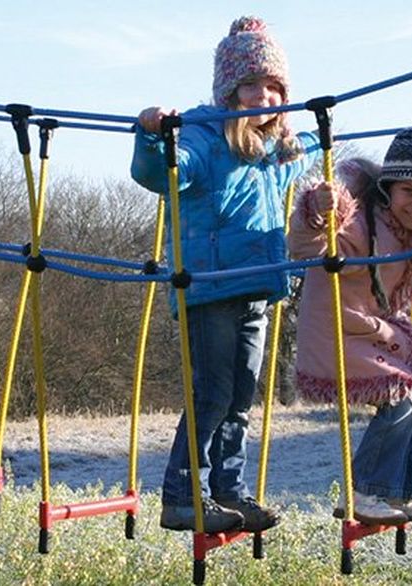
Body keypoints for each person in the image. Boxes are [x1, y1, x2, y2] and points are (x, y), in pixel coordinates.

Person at [131, 16, 321, 533]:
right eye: (253, 86)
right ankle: (183, 495)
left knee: (240, 398)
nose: (264, 96)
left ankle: (228, 492)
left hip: (258, 286)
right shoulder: (203, 136)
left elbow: (308, 152)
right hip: (211, 289)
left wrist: (323, 133)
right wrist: (152, 135)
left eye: (274, 87)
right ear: (230, 92)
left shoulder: (274, 151)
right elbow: (160, 172)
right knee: (212, 393)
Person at [288, 105, 412, 525]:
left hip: (369, 333)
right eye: (410, 192)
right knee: (401, 398)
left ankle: (397, 493)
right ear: (389, 187)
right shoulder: (359, 221)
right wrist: (318, 209)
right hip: (336, 330)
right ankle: (366, 491)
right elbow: (305, 246)